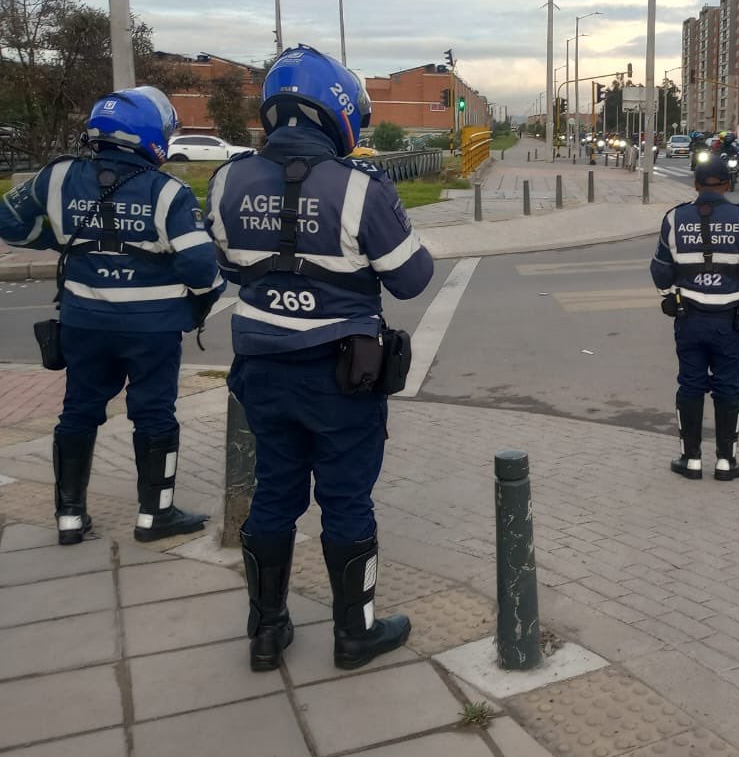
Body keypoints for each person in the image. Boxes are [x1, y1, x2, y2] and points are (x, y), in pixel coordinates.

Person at [206, 45, 434, 672]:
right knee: (346, 498)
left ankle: (266, 631)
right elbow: (412, 279)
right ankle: (354, 635)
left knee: (274, 492)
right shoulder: (360, 188)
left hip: (262, 371)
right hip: (343, 375)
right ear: (339, 113)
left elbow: (228, 267)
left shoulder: (228, 180)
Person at [0, 87, 223, 545]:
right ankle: (154, 515)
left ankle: (69, 517)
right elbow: (201, 268)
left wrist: (61, 240)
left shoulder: (56, 176)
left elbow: (9, 223)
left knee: (78, 411)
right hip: (152, 328)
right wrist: (201, 301)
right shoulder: (169, 192)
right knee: (154, 414)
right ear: (151, 135)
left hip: (84, 319)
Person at [650, 153, 739, 482]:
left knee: (690, 385)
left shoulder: (675, 218)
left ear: (695, 184)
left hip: (689, 318)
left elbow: (660, 271)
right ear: (728, 185)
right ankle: (725, 462)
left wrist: (667, 296)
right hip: (731, 321)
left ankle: (690, 460)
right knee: (728, 387)